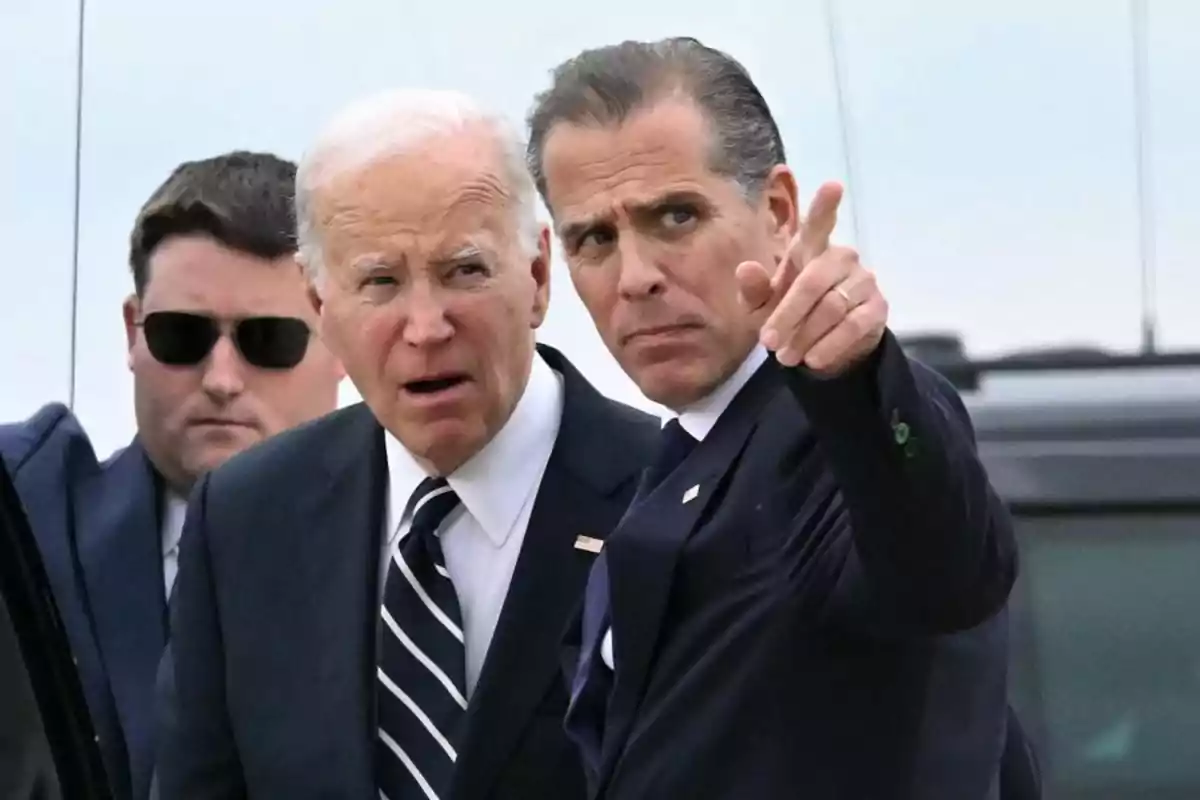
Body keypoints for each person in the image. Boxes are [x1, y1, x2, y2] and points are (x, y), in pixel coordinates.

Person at [527, 37, 1026, 798]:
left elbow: (945, 574)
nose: (636, 278)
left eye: (675, 217)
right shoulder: (672, 461)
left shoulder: (833, 434)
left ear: (781, 212)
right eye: (595, 238)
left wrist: (854, 379)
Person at [154, 89, 659, 800]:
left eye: (465, 271)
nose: (425, 327)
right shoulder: (244, 520)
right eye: (381, 282)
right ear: (322, 306)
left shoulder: (667, 499)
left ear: (539, 277)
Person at [0, 150, 344, 800]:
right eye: (182, 336)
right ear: (133, 331)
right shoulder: (32, 528)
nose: (220, 379)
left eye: (269, 340)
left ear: (341, 336)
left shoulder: (412, 558)